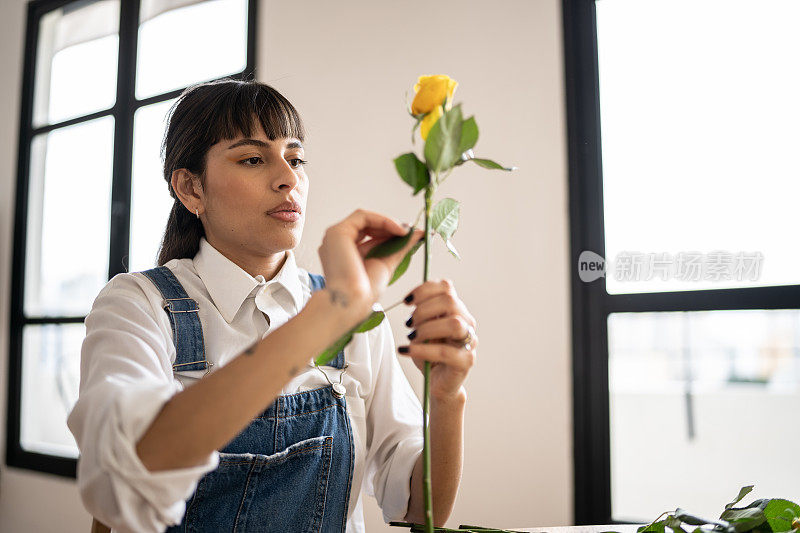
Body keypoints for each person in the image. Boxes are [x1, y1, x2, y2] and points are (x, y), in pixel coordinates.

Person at [67, 77, 479, 533]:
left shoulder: (357, 317)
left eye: (296, 158)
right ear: (190, 189)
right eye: (252, 159)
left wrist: (447, 397)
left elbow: (424, 511)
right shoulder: (138, 305)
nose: (288, 178)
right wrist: (332, 313)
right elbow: (125, 479)